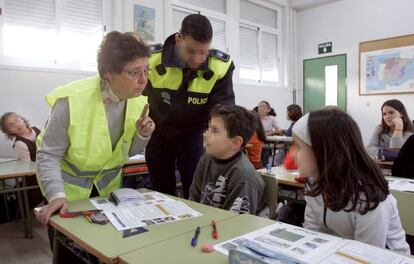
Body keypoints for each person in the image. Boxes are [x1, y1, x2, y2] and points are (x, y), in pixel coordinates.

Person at [35, 31, 155, 226]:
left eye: (146, 70)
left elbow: (124, 154)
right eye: (134, 72)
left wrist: (142, 135)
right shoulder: (72, 100)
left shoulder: (136, 101)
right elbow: (48, 154)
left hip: (108, 196)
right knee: (71, 252)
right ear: (109, 73)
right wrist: (56, 194)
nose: (144, 80)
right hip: (67, 195)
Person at [293, 107, 410, 254]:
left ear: (325, 151)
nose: (292, 155)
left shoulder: (370, 198)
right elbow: (312, 233)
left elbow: (367, 256)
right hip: (335, 254)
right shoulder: (314, 182)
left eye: (298, 147)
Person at [144, 14, 235, 199]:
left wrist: (223, 139)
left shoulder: (220, 66)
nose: (197, 59)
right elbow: (136, 101)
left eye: (203, 52)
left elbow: (223, 110)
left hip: (194, 133)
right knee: (161, 192)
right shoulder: (150, 60)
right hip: (158, 132)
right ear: (179, 39)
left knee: (197, 190)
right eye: (191, 51)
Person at [189, 104, 265, 215]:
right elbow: (193, 202)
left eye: (214, 130)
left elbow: (234, 223)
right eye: (209, 128)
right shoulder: (206, 158)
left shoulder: (243, 177)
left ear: (235, 142)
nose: (205, 134)